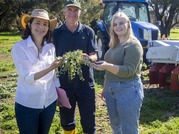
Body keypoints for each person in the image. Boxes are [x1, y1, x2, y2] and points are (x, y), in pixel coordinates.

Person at [11, 9, 62, 134]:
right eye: (37, 23)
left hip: (49, 102)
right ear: (29, 24)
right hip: (28, 105)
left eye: (45, 24)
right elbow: (28, 77)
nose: (41, 27)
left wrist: (59, 94)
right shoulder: (19, 48)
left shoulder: (50, 47)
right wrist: (50, 67)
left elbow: (54, 76)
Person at [92, 11, 144, 134]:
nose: (118, 27)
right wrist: (105, 87)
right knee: (116, 125)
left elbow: (128, 71)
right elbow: (109, 69)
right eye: (115, 24)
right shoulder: (114, 44)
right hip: (111, 89)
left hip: (128, 89)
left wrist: (106, 66)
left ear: (128, 25)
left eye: (121, 23)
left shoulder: (133, 45)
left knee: (129, 128)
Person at [52, 0, 98, 134]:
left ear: (80, 12)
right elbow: (50, 57)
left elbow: (94, 55)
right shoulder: (56, 33)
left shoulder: (88, 31)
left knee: (89, 122)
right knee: (67, 122)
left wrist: (88, 58)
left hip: (86, 85)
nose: (73, 13)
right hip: (64, 85)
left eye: (76, 10)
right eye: (70, 10)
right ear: (64, 12)